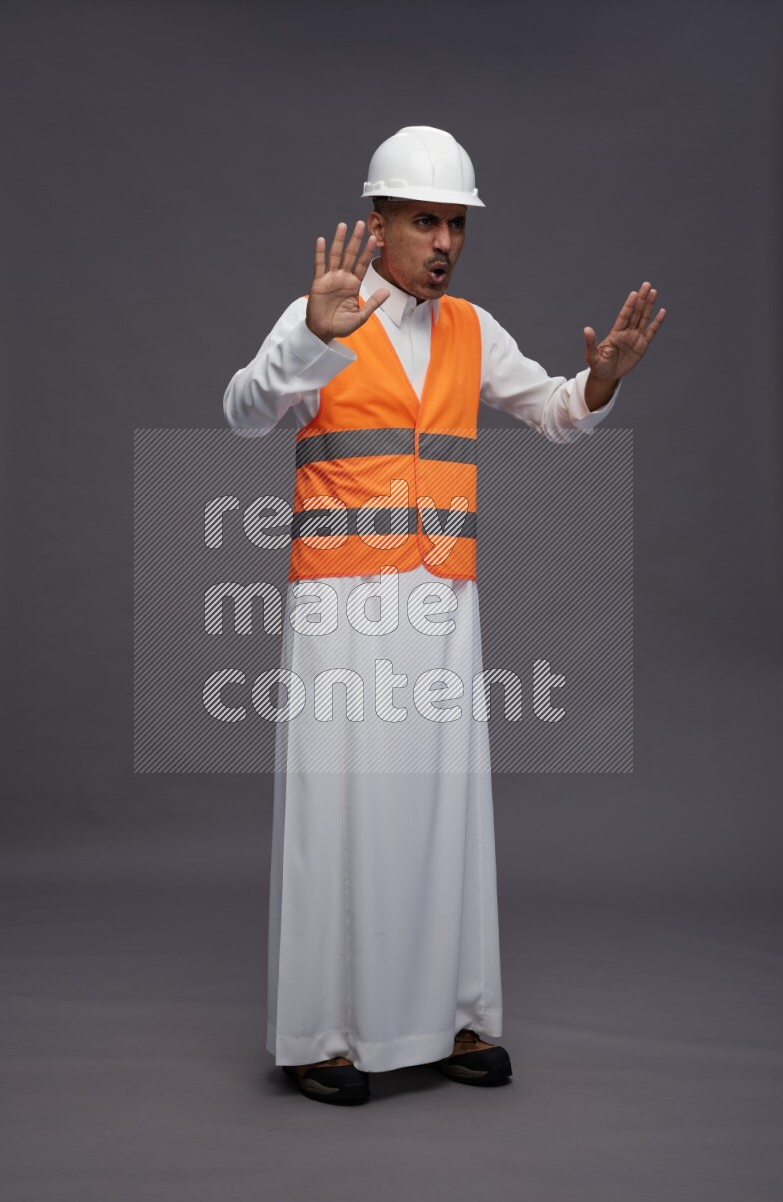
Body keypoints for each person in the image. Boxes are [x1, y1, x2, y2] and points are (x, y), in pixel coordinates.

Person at [223, 126, 665, 1106]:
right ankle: (320, 1036)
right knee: (339, 809)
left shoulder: (471, 328)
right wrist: (308, 337)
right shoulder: (323, 315)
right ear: (377, 222)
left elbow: (553, 410)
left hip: (441, 599)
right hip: (342, 600)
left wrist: (602, 378)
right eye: (425, 220)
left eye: (456, 223)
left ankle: (454, 1015)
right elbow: (242, 412)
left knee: (444, 806)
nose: (444, 241)